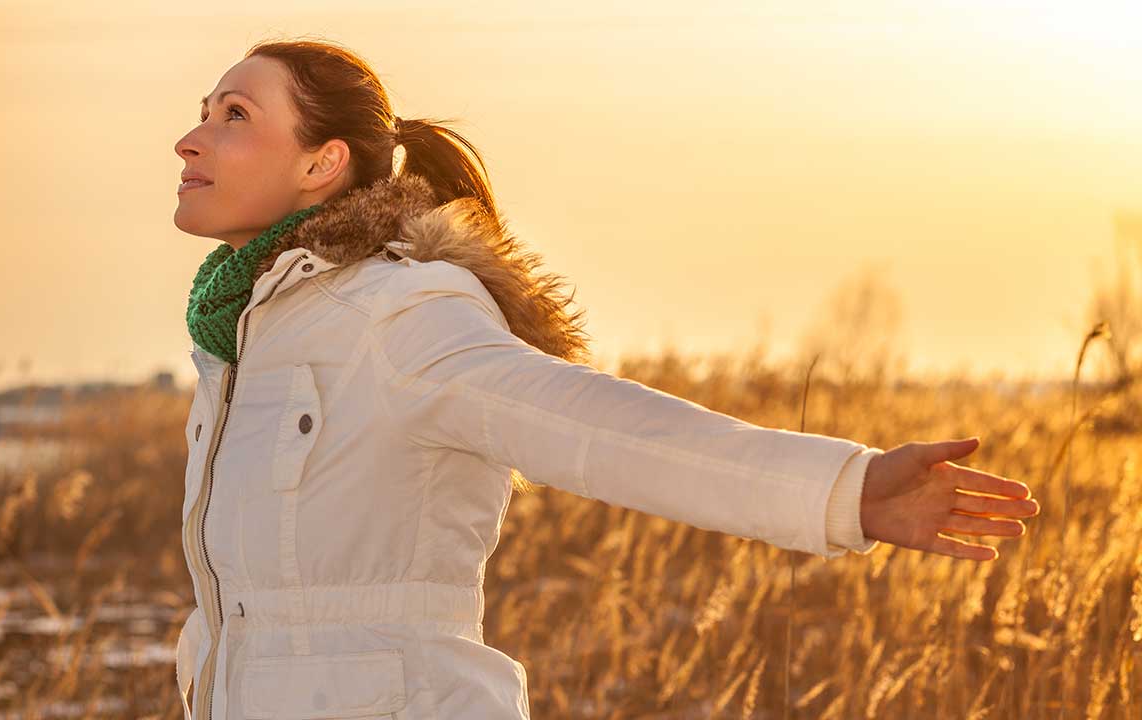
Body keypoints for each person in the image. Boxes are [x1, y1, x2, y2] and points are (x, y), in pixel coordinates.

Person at [170, 38, 1041, 720]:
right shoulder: (244, 340)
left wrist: (841, 492)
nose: (191, 135)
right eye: (204, 110)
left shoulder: (398, 312)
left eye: (234, 114)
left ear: (322, 163)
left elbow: (602, 432)